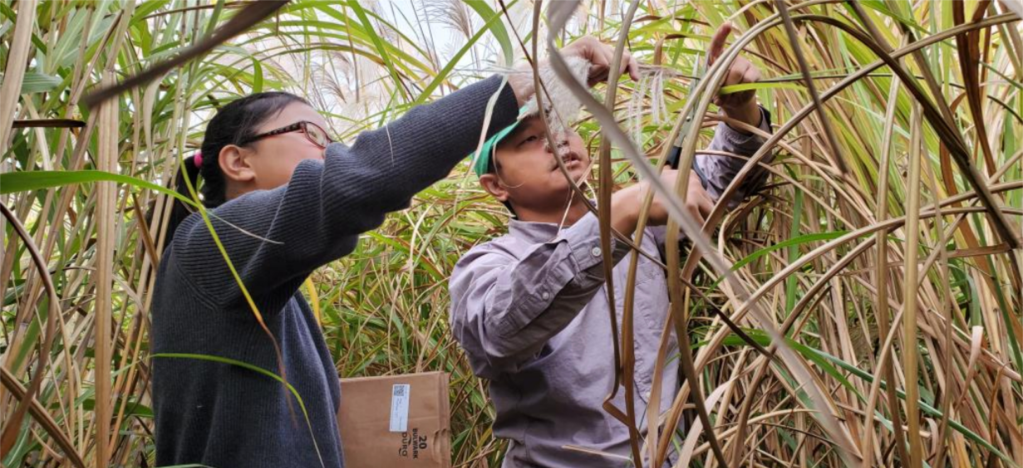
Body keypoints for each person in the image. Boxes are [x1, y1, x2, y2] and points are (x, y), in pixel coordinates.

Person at [149, 37, 639, 468]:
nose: (330, 152)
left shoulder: (273, 287)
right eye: (313, 135)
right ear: (238, 161)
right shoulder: (207, 244)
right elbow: (360, 179)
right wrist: (523, 84)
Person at [448, 24, 773, 467]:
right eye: (530, 139)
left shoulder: (642, 227)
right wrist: (617, 215)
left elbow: (720, 186)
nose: (558, 140)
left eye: (562, 126)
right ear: (495, 184)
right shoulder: (487, 264)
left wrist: (740, 109)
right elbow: (499, 331)